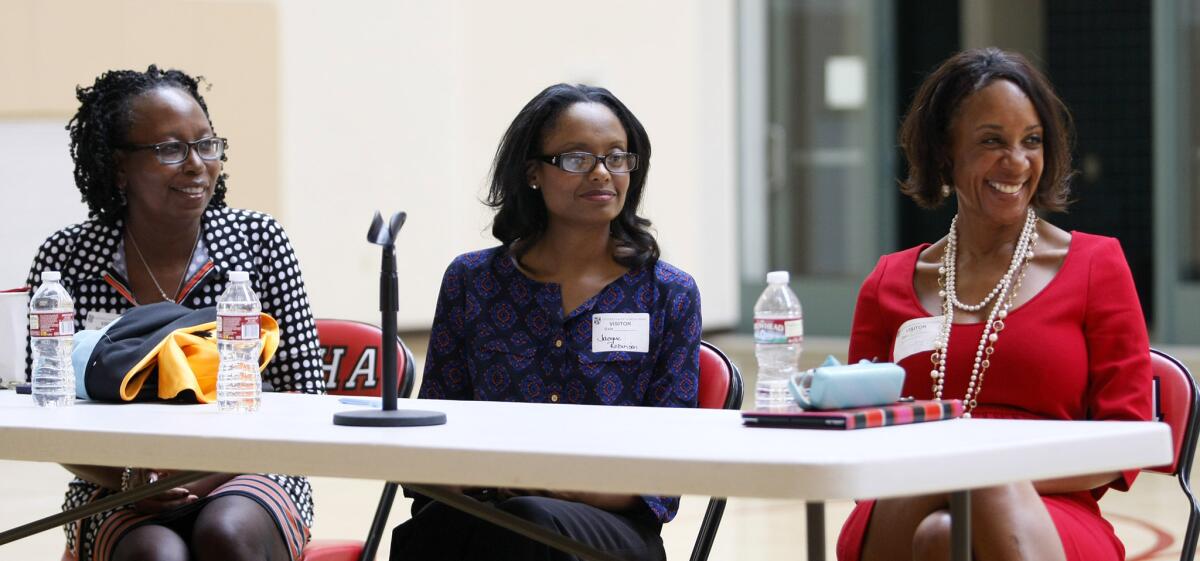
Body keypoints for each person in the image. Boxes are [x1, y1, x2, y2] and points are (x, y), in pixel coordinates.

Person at [836, 48, 1152, 561]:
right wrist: (951, 470)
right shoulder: (888, 282)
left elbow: (1129, 441)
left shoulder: (1098, 265)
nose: (1017, 162)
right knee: (950, 504)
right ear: (944, 152)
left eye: (1031, 141)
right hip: (905, 497)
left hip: (1052, 507)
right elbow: (854, 432)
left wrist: (982, 470)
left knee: (975, 483)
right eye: (991, 142)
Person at [390, 84, 702, 561]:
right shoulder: (472, 281)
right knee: (446, 533)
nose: (602, 173)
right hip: (480, 512)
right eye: (578, 158)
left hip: (611, 530)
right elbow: (438, 434)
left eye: (617, 157)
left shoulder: (668, 294)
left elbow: (666, 472)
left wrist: (541, 485)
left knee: (526, 527)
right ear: (532, 172)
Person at [25, 66, 324, 561]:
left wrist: (195, 477)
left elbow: (304, 396)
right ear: (119, 167)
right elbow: (46, 408)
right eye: (169, 150)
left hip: (252, 469)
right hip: (111, 481)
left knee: (225, 533)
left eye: (207, 145)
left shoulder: (259, 242)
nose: (195, 165)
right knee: (154, 552)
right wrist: (130, 479)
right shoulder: (67, 260)